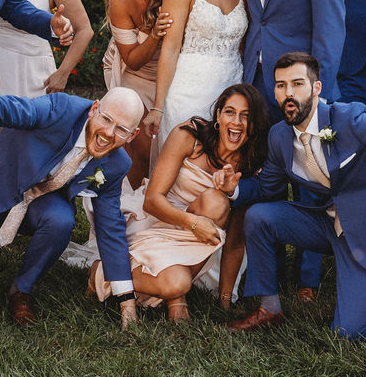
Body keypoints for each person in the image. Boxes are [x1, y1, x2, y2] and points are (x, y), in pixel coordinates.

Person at [219, 52, 366, 340]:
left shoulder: (350, 117)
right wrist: (234, 189)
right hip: (325, 224)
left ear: (317, 88)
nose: (288, 93)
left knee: (348, 335)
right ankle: (269, 309)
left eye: (297, 83)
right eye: (280, 86)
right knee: (259, 216)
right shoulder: (279, 136)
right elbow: (267, 189)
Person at [0, 64, 146, 329]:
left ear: (133, 135)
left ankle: (21, 290)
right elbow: (16, 109)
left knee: (61, 220)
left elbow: (110, 225)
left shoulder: (116, 164)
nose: (109, 133)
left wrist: (126, 299)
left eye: (121, 130)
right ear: (94, 108)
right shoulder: (62, 109)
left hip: (38, 203)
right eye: (106, 119)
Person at [236, 0, 347, 297]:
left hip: (300, 87)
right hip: (257, 80)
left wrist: (318, 91)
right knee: (264, 171)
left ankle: (307, 278)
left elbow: (330, 28)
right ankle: (266, 271)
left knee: (309, 177)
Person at [86, 84, 269, 319]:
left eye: (246, 116)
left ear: (254, 125)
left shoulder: (249, 163)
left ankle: (169, 293)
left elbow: (234, 240)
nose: (236, 122)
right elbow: (151, 200)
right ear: (218, 115)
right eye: (230, 112)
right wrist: (193, 223)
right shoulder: (189, 136)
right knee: (176, 284)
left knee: (216, 202)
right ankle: (102, 273)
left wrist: (225, 302)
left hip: (192, 242)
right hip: (155, 221)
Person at [143, 0, 248, 155]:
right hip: (188, 92)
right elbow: (170, 48)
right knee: (184, 167)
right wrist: (158, 106)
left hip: (231, 90)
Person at [102, 0, 174, 187]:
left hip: (172, 73)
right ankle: (130, 204)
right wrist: (154, 35)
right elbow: (131, 59)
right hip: (134, 72)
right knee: (141, 144)